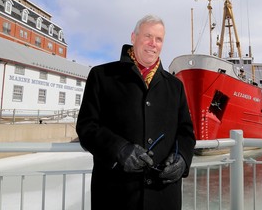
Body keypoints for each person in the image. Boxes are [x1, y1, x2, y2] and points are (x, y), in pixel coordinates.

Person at [76, 14, 196, 210]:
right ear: (133, 38)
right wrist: (119, 150)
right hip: (115, 196)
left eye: (159, 39)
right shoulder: (102, 76)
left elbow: (186, 132)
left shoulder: (175, 86)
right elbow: (86, 127)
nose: (153, 44)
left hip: (164, 196)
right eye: (148, 36)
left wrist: (182, 158)